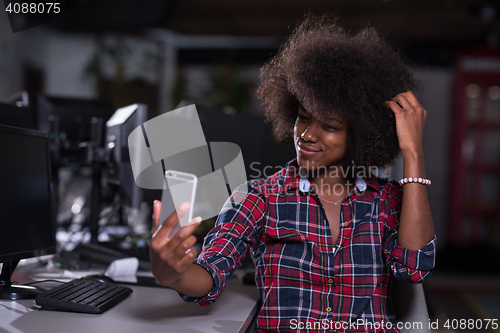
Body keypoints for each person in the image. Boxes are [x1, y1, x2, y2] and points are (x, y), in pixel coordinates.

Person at [149, 15, 436, 332]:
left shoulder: (386, 200)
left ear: (359, 133)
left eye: (329, 126)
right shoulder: (259, 197)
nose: (308, 135)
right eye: (303, 118)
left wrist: (413, 153)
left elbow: (413, 269)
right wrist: (172, 273)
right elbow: (209, 274)